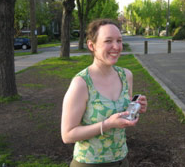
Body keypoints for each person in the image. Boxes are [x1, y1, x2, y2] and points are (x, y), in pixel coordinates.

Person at [61, 18, 147, 167]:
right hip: (89, 163)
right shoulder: (81, 83)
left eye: (119, 40)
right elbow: (67, 135)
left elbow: (122, 116)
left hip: (121, 160)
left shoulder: (126, 76)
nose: (116, 46)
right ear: (91, 45)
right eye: (108, 41)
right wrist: (107, 124)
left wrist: (136, 108)